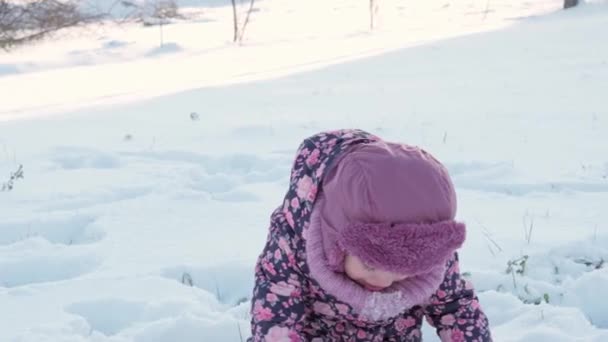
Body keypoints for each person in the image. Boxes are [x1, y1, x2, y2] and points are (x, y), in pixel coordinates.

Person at [249, 129, 492, 341]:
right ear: (337, 239)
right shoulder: (292, 243)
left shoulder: (427, 249)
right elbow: (277, 319)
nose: (383, 282)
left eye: (401, 270)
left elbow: (456, 309)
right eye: (369, 264)